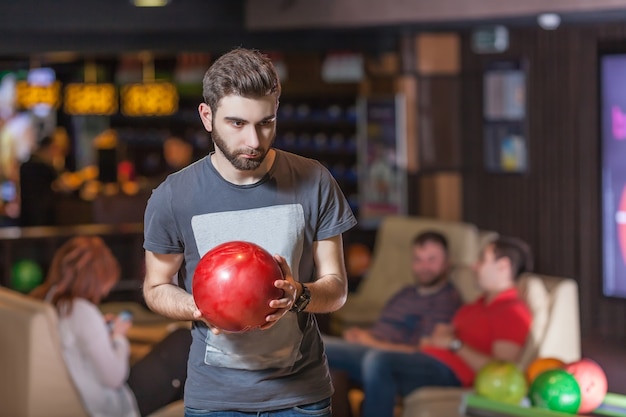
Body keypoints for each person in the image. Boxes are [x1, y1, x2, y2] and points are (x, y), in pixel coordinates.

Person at [141, 47, 357, 417]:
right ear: (207, 117)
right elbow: (156, 286)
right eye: (237, 124)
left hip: (301, 397)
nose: (254, 141)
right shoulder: (174, 195)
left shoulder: (314, 180)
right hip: (215, 400)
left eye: (266, 123)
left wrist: (299, 296)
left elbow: (336, 288)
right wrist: (196, 306)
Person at [358, 236, 534, 417]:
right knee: (342, 359)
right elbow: (439, 337)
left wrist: (454, 344)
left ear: (503, 266)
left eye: (482, 259)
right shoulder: (475, 306)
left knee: (378, 361)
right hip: (426, 360)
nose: (474, 265)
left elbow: (501, 370)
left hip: (451, 373)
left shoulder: (512, 311)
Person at [29, 236, 191, 417]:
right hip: (112, 406)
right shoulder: (81, 311)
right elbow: (115, 377)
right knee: (183, 340)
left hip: (86, 394)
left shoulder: (47, 301)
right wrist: (119, 337)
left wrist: (100, 330)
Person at [323, 231, 462, 416]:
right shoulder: (406, 293)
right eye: (418, 259)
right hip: (368, 350)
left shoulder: (445, 300)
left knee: (316, 346)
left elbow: (422, 351)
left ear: (447, 262)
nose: (424, 266)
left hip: (391, 360)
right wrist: (362, 334)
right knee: (325, 366)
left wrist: (370, 342)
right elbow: (385, 327)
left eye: (432, 259)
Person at [18, 135, 62, 226]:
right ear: (49, 148)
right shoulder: (45, 168)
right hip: (43, 216)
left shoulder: (25, 166)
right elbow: (62, 185)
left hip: (27, 216)